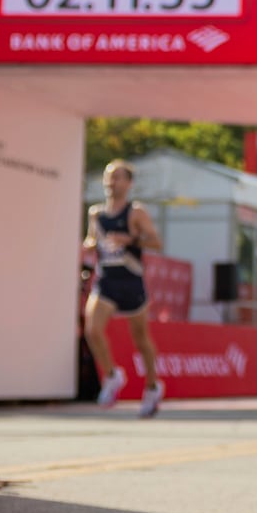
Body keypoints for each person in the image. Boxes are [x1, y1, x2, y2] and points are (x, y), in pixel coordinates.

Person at [83, 160, 166, 418]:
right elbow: (92, 240)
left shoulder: (135, 212)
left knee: (141, 339)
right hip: (106, 278)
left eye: (118, 177)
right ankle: (111, 375)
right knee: (93, 330)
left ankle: (152, 386)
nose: (112, 182)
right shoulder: (96, 213)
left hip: (130, 280)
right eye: (109, 177)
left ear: (128, 183)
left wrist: (128, 239)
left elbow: (156, 243)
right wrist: (87, 245)